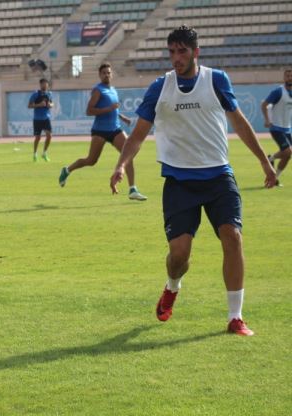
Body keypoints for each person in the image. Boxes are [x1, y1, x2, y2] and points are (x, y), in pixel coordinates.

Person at [109, 26, 277, 336]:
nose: (176, 58)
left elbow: (239, 123)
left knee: (233, 237)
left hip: (218, 177)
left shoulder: (216, 80)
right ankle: (172, 286)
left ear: (196, 52)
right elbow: (139, 132)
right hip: (179, 181)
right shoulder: (160, 87)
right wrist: (122, 165)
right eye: (171, 52)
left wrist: (265, 162)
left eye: (182, 51)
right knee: (179, 256)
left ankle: (235, 317)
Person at [58, 63, 147, 201]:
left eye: (109, 73)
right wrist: (109, 109)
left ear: (112, 74)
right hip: (100, 131)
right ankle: (67, 170)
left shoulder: (113, 90)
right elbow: (89, 111)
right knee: (91, 160)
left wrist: (122, 117)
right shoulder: (97, 90)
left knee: (127, 155)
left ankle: (132, 189)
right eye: (104, 73)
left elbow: (114, 109)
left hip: (115, 129)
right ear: (100, 75)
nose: (107, 75)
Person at [260, 69, 292, 186]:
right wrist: (267, 120)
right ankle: (270, 159)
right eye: (287, 76)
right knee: (288, 151)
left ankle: (275, 178)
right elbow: (264, 104)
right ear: (284, 78)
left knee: (288, 156)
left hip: (287, 128)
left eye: (291, 76)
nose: (289, 78)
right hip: (276, 127)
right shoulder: (278, 91)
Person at [28, 78, 53, 162]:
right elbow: (29, 106)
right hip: (37, 119)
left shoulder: (49, 94)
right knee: (38, 138)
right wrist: (39, 105)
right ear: (40, 84)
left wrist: (50, 105)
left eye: (46, 83)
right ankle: (35, 153)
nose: (45, 85)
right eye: (43, 84)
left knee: (49, 136)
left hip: (46, 118)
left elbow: (52, 103)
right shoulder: (35, 94)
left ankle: (44, 153)